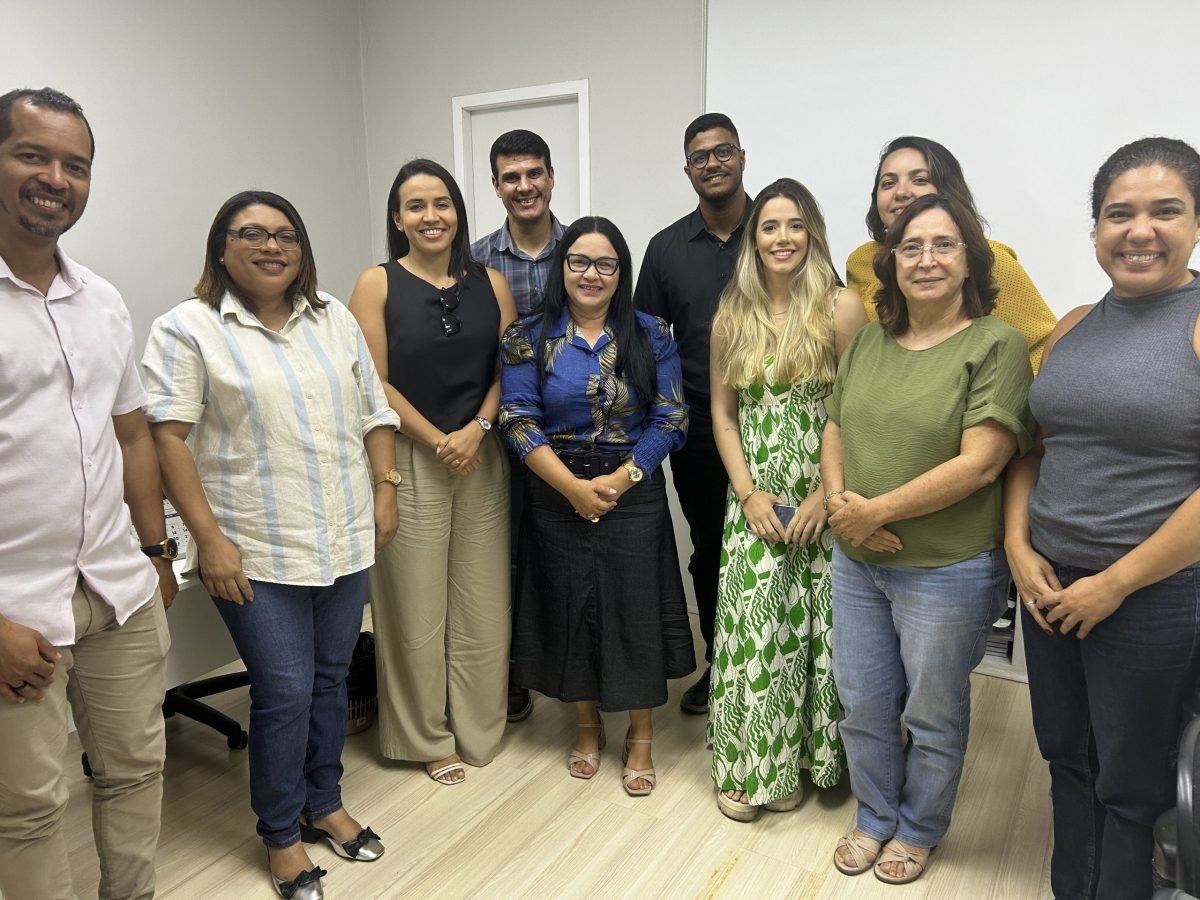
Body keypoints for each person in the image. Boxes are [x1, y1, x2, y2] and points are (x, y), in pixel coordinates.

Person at [144, 190, 400, 899]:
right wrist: (208, 539)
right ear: (221, 246)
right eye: (251, 233)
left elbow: (375, 409)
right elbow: (167, 439)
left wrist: (385, 489)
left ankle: (326, 803)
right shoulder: (187, 328)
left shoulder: (334, 318)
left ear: (302, 248)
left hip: (343, 536)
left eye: (286, 234)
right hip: (255, 546)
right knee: (284, 690)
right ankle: (282, 835)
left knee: (328, 678)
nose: (271, 246)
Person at [1004, 137, 1200, 900]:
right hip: (1050, 585)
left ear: (1194, 223)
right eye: (1119, 213)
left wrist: (1114, 584)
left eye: (1165, 211)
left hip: (1150, 594)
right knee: (1064, 753)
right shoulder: (1075, 323)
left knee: (1131, 776)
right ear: (1095, 231)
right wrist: (1019, 546)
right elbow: (1034, 451)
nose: (1139, 230)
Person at [822, 194, 1033, 884]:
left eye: (944, 245)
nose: (927, 260)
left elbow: (984, 461)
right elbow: (835, 426)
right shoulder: (872, 341)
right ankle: (876, 816)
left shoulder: (995, 344)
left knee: (933, 710)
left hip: (946, 567)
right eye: (911, 247)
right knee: (863, 699)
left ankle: (918, 829)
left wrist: (873, 508)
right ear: (891, 263)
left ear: (972, 258)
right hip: (856, 561)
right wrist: (838, 503)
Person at [0, 87, 176, 900]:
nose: (55, 178)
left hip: (118, 588)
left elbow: (133, 433)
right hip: (15, 608)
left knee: (136, 771)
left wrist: (155, 553)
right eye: (32, 155)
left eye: (75, 164)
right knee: (29, 810)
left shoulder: (101, 301)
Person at [500, 216, 693, 796]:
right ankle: (586, 727)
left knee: (632, 609)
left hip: (630, 484)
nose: (591, 273)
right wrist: (572, 488)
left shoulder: (652, 333)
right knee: (569, 605)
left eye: (605, 263)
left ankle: (640, 736)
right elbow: (516, 417)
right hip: (555, 485)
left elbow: (672, 416)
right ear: (563, 269)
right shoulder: (526, 336)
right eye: (579, 261)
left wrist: (621, 477)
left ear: (620, 273)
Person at [350, 158, 516, 786]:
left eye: (441, 203)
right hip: (410, 459)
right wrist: (439, 437)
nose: (430, 216)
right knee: (414, 610)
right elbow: (374, 382)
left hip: (482, 454)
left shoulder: (492, 284)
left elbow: (509, 371)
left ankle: (478, 726)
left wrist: (478, 429)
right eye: (415, 206)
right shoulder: (377, 283)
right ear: (398, 219)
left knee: (482, 604)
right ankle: (424, 734)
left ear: (458, 211)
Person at [707, 179, 867, 822]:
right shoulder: (730, 314)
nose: (782, 238)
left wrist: (824, 497)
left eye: (795, 225)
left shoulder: (841, 308)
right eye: (769, 227)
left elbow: (858, 411)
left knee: (815, 636)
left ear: (813, 234)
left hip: (824, 498)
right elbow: (721, 415)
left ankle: (805, 761)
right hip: (753, 499)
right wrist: (747, 494)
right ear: (753, 240)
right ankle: (748, 765)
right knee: (755, 632)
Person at [635, 112, 751, 713]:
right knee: (711, 549)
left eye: (722, 151)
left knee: (779, 547)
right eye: (700, 156)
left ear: (740, 157)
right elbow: (646, 347)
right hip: (702, 433)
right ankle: (720, 668)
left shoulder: (780, 228)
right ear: (688, 169)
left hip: (779, 425)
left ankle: (784, 673)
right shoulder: (665, 249)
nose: (712, 162)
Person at [471, 128, 566, 723]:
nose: (524, 186)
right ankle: (510, 673)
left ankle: (563, 663)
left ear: (551, 177)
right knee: (503, 554)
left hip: (577, 429)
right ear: (497, 186)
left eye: (534, 174)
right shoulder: (476, 260)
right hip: (502, 429)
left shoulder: (583, 247)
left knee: (561, 549)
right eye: (511, 177)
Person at [845, 135, 1057, 371]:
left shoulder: (989, 259)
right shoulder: (861, 262)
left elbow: (1044, 345)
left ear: (947, 190)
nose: (901, 192)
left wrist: (1006, 393)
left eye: (919, 179)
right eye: (888, 183)